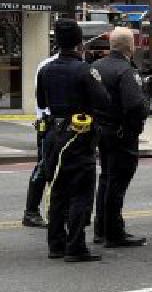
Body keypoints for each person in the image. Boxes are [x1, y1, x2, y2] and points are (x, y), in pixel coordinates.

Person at [38, 19, 110, 262]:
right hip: (79, 135)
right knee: (81, 192)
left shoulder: (46, 70)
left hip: (53, 134)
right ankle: (76, 245)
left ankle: (55, 244)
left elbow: (40, 103)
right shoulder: (85, 70)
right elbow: (103, 100)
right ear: (80, 42)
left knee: (57, 190)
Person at [92, 28, 150, 247]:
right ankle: (114, 233)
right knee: (117, 183)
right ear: (131, 47)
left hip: (100, 131)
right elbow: (135, 104)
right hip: (121, 134)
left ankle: (101, 229)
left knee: (106, 179)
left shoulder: (96, 67)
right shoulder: (126, 71)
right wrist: (143, 113)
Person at [21, 49, 59, 228]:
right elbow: (41, 100)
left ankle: (54, 211)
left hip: (52, 124)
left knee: (52, 167)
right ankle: (31, 211)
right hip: (50, 124)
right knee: (45, 167)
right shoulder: (48, 65)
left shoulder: (46, 65)